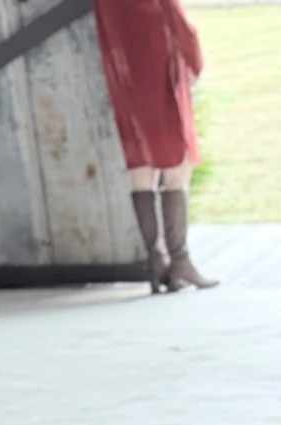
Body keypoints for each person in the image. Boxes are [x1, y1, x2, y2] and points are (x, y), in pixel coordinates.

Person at [94, 0, 217, 291]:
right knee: (177, 167)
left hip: (126, 80)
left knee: (142, 168)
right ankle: (180, 261)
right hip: (162, 75)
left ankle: (156, 259)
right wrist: (195, 64)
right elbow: (179, 24)